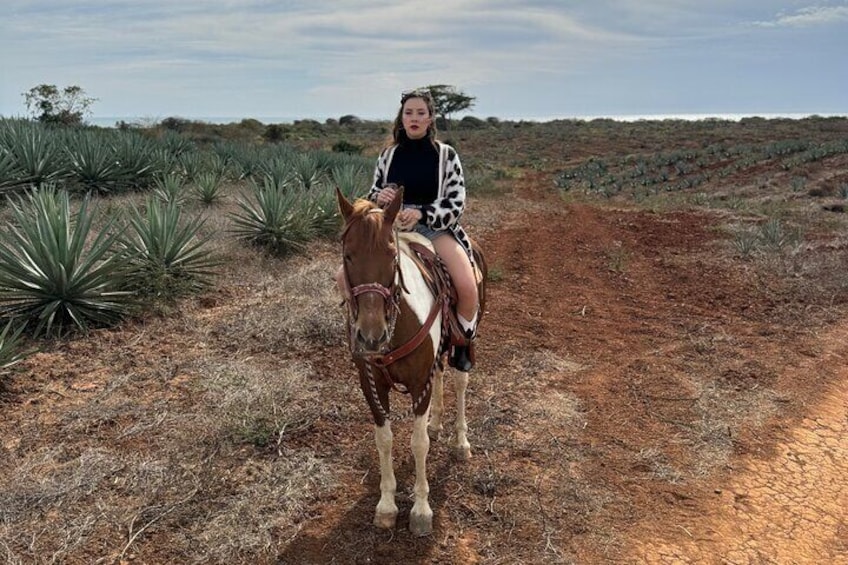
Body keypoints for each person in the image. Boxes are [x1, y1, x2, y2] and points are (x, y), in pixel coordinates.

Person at [367, 88, 480, 371]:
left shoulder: (446, 156)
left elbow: (456, 202)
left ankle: (462, 343)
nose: (414, 118)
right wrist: (378, 199)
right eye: (409, 113)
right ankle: (365, 330)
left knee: (467, 288)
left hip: (433, 230)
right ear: (401, 118)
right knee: (346, 277)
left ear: (430, 118)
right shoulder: (387, 155)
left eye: (420, 113)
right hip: (391, 232)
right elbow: (372, 194)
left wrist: (422, 213)